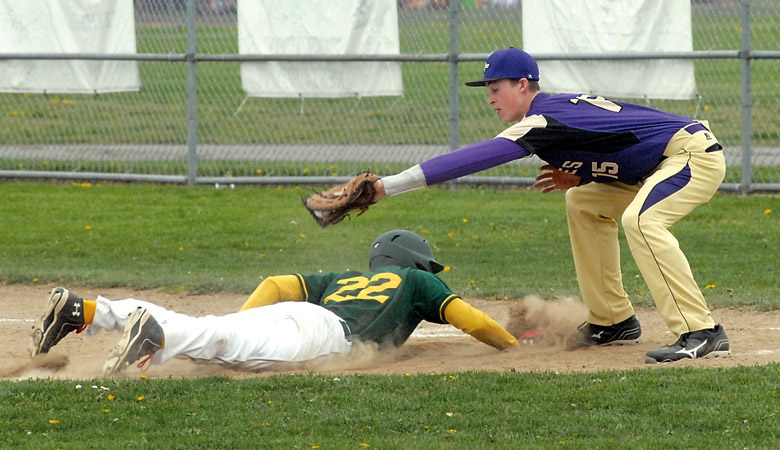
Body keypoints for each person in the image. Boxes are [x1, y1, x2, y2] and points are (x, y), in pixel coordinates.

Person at [369, 48, 730, 364]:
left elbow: (468, 160)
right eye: (488, 92)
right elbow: (621, 142)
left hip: (690, 154)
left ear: (523, 85)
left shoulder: (541, 120)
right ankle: (613, 321)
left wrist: (386, 187)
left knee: (642, 221)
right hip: (657, 164)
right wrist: (585, 174)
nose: (491, 99)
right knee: (583, 201)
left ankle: (701, 331)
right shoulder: (552, 113)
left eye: (496, 89)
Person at [29, 230, 519, 375]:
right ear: (412, 261)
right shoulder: (416, 279)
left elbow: (278, 282)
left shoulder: (342, 278)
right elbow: (470, 320)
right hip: (323, 335)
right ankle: (155, 333)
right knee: (218, 343)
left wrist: (245, 321)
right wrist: (512, 345)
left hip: (298, 313)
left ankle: (86, 310)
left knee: (215, 330)